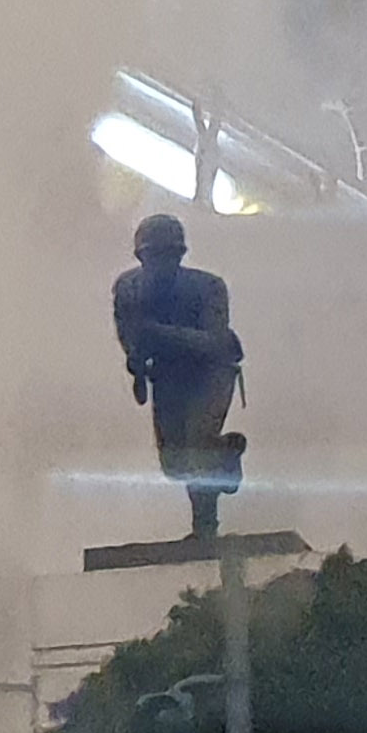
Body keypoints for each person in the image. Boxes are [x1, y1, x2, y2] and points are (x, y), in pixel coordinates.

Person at [111, 213, 247, 529]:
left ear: (180, 255)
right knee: (174, 464)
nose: (160, 263)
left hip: (211, 372)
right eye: (153, 256)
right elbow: (128, 334)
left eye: (168, 255)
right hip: (168, 377)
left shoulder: (208, 287)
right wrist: (137, 361)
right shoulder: (129, 288)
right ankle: (225, 453)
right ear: (140, 256)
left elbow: (213, 341)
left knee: (197, 447)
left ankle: (205, 526)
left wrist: (159, 334)